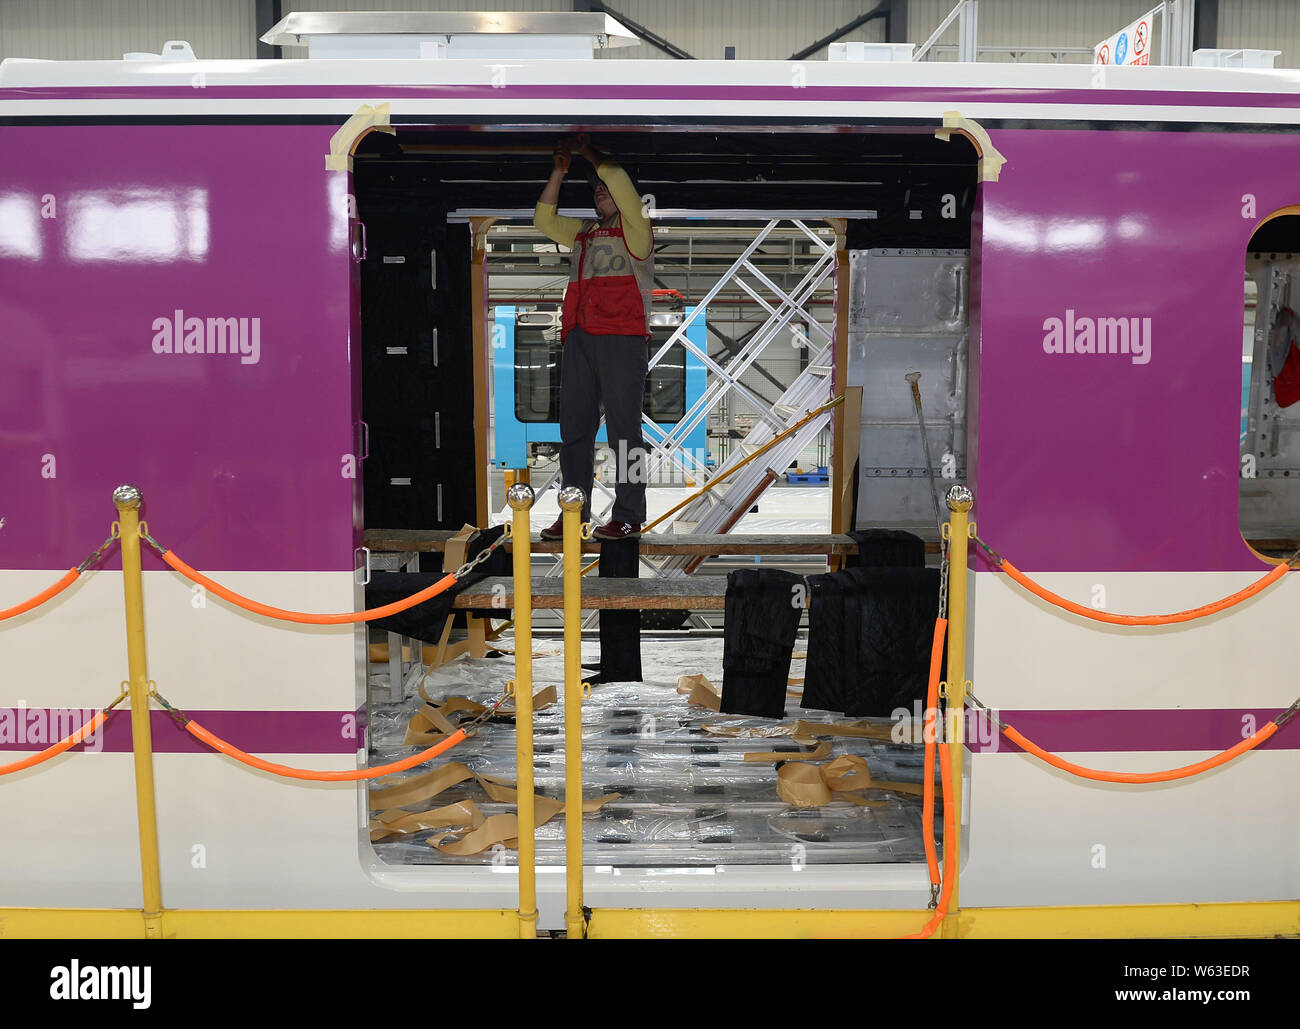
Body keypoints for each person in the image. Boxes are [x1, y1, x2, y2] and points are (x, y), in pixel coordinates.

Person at [533, 134, 654, 541]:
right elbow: (543, 221)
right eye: (596, 189)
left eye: (607, 189)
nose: (602, 190)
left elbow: (616, 174)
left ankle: (630, 514)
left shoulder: (637, 230)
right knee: (575, 433)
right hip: (580, 338)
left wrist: (587, 151)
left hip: (623, 339)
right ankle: (574, 510)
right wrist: (559, 170)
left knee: (625, 432)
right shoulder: (583, 232)